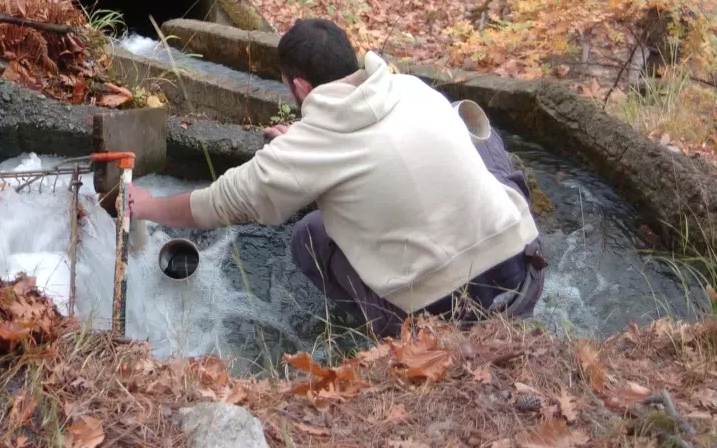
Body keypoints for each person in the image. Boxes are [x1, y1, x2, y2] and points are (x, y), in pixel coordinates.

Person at [127, 18, 546, 337]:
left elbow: (217, 203)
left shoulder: (306, 149)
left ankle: (387, 339)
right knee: (473, 132)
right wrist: (303, 147)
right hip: (525, 272)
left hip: (440, 318)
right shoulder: (413, 88)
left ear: (301, 86)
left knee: (310, 233)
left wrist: (147, 206)